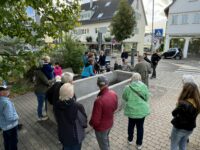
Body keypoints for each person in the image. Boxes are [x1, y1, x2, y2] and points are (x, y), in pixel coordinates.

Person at [54, 83, 87, 150]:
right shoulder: (77, 106)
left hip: (63, 135)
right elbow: (83, 121)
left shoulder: (56, 105)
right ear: (71, 94)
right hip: (75, 137)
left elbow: (57, 119)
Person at [122, 73, 150, 150]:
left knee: (131, 125)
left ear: (132, 79)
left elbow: (124, 97)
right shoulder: (144, 86)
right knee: (140, 127)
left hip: (131, 110)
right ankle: (139, 144)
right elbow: (147, 97)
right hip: (141, 110)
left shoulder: (128, 87)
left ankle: (130, 139)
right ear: (140, 79)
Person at [89, 76, 118, 150]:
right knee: (105, 138)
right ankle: (108, 146)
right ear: (107, 83)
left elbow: (95, 120)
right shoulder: (113, 93)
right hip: (110, 123)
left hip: (101, 128)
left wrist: (91, 123)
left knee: (103, 144)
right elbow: (115, 107)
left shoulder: (99, 101)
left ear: (98, 85)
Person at [170, 82, 200, 150]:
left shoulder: (182, 103)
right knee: (183, 145)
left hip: (179, 128)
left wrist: (177, 105)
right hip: (190, 128)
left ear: (185, 92)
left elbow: (173, 113)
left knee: (174, 146)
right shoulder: (198, 102)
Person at [0, 81, 19, 150]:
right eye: (6, 89)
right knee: (13, 143)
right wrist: (17, 117)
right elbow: (10, 118)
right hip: (11, 127)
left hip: (4, 127)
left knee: (7, 142)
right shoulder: (6, 103)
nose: (8, 90)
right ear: (1, 93)